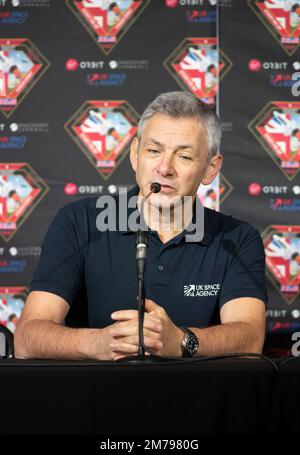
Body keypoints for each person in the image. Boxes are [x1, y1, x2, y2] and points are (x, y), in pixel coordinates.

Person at [14, 91, 267, 360]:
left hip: (195, 400)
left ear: (210, 169)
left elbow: (250, 338)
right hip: (97, 399)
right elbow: (27, 339)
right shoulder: (78, 222)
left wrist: (182, 341)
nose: (164, 168)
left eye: (184, 156)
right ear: (135, 154)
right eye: (154, 150)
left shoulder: (238, 239)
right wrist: (96, 343)